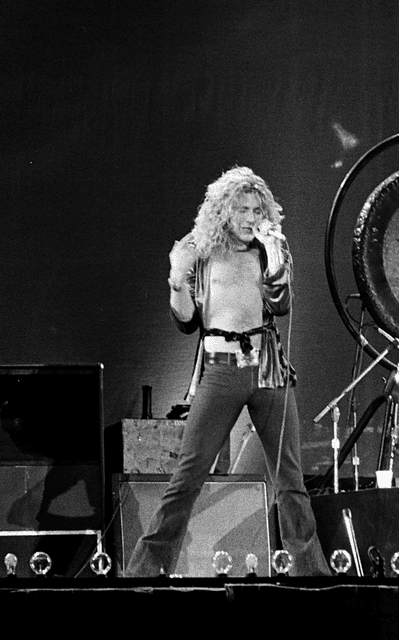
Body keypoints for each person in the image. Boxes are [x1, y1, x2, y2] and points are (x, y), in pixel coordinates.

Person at [126, 166, 329, 577]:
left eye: (257, 210)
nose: (251, 218)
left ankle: (310, 576)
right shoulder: (201, 253)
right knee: (186, 478)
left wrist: (274, 257)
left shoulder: (269, 251)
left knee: (290, 480)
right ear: (223, 212)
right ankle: (144, 572)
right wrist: (176, 280)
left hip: (267, 370)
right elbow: (186, 321)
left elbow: (281, 305)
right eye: (242, 210)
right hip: (221, 371)